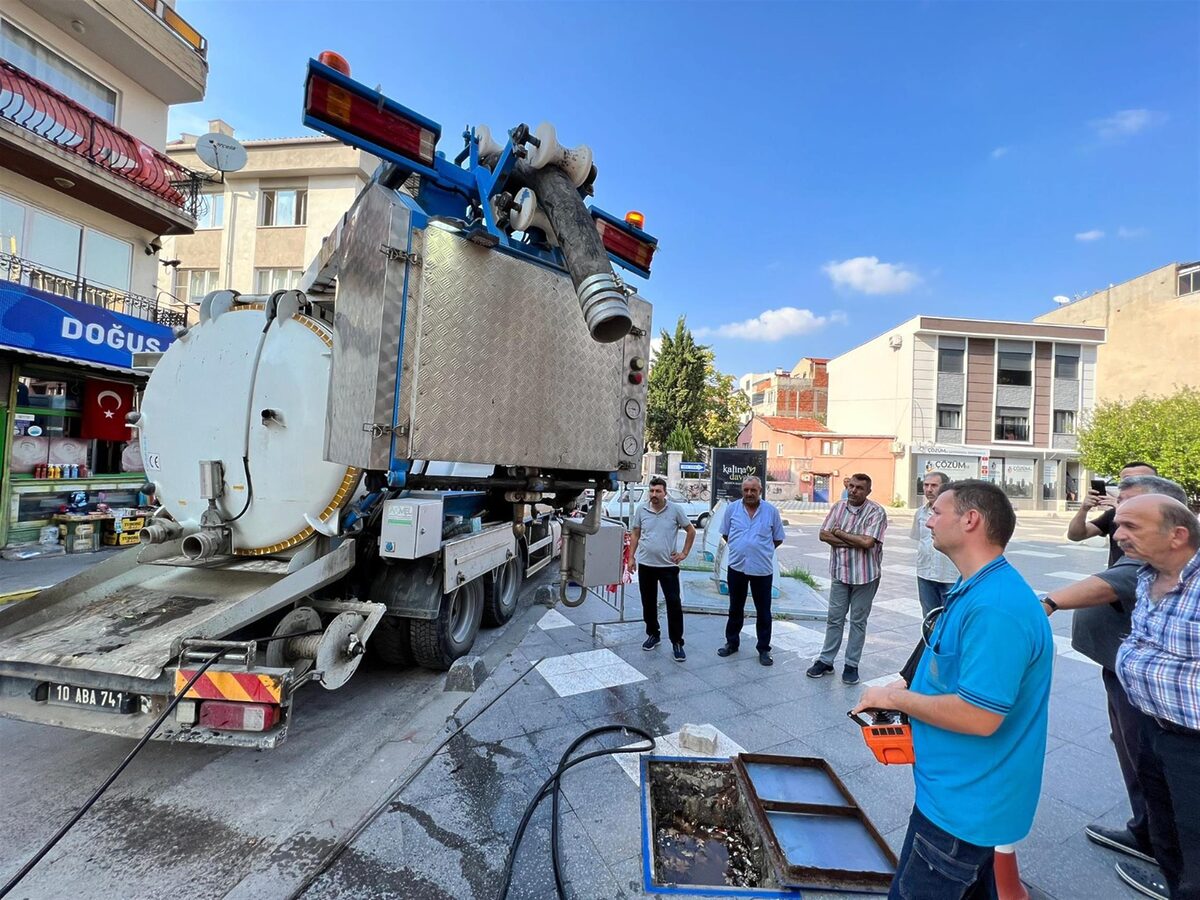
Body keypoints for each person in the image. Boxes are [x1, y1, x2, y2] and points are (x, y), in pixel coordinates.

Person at [854, 480, 1052, 899]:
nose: (927, 520)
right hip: (956, 797)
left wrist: (893, 699)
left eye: (937, 512)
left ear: (970, 520)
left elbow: (979, 716)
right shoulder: (976, 587)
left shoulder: (996, 606)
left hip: (963, 810)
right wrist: (908, 685)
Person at [1042, 475, 1189, 900]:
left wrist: (1047, 602)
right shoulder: (1149, 557)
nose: (1119, 529)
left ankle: (1175, 870)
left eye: (1131, 514)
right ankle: (1148, 834)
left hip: (1163, 702)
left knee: (1156, 769)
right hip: (1130, 676)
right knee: (1136, 756)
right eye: (1118, 513)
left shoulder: (1165, 562)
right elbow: (1079, 536)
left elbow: (1114, 582)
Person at [1112, 494, 1200, 900]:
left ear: (1177, 534)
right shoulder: (1149, 575)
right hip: (1152, 727)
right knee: (1166, 833)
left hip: (1192, 742)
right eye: (1118, 525)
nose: (1119, 535)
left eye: (1132, 527)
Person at [808, 473, 888, 685]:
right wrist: (853, 540)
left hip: (866, 575)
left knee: (858, 622)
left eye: (859, 488)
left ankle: (851, 664)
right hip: (840, 573)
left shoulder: (876, 511)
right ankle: (826, 660)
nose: (853, 491)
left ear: (868, 491)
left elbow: (867, 543)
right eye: (851, 486)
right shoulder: (838, 506)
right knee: (834, 618)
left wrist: (840, 534)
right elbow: (823, 535)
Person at [717, 475, 785, 666]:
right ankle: (732, 643)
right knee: (735, 608)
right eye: (746, 490)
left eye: (753, 490)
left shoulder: (771, 511)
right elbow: (725, 534)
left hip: (762, 569)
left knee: (763, 611)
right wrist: (742, 547)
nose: (749, 493)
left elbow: (778, 538)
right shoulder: (732, 509)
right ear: (742, 491)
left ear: (760, 491)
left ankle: (764, 649)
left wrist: (760, 550)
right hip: (737, 567)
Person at [629, 477, 696, 662]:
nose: (654, 495)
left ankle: (677, 642)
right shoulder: (641, 509)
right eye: (652, 491)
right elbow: (635, 533)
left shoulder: (675, 510)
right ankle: (653, 634)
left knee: (673, 603)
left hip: (668, 566)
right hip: (646, 565)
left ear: (665, 492)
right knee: (648, 602)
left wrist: (684, 553)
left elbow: (691, 531)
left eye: (658, 491)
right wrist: (631, 558)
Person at [1067, 461, 1157, 566]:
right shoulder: (1113, 513)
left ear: (1157, 483)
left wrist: (1121, 508)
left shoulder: (1170, 511)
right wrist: (1084, 509)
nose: (1133, 485)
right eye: (1127, 481)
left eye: (1142, 480)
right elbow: (1075, 535)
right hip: (1117, 577)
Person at [912, 471, 958, 616]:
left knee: (951, 619)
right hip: (925, 573)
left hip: (950, 575)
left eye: (934, 485)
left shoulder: (957, 512)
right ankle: (931, 640)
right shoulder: (920, 513)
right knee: (929, 618)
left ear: (945, 487)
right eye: (926, 485)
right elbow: (920, 540)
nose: (929, 489)